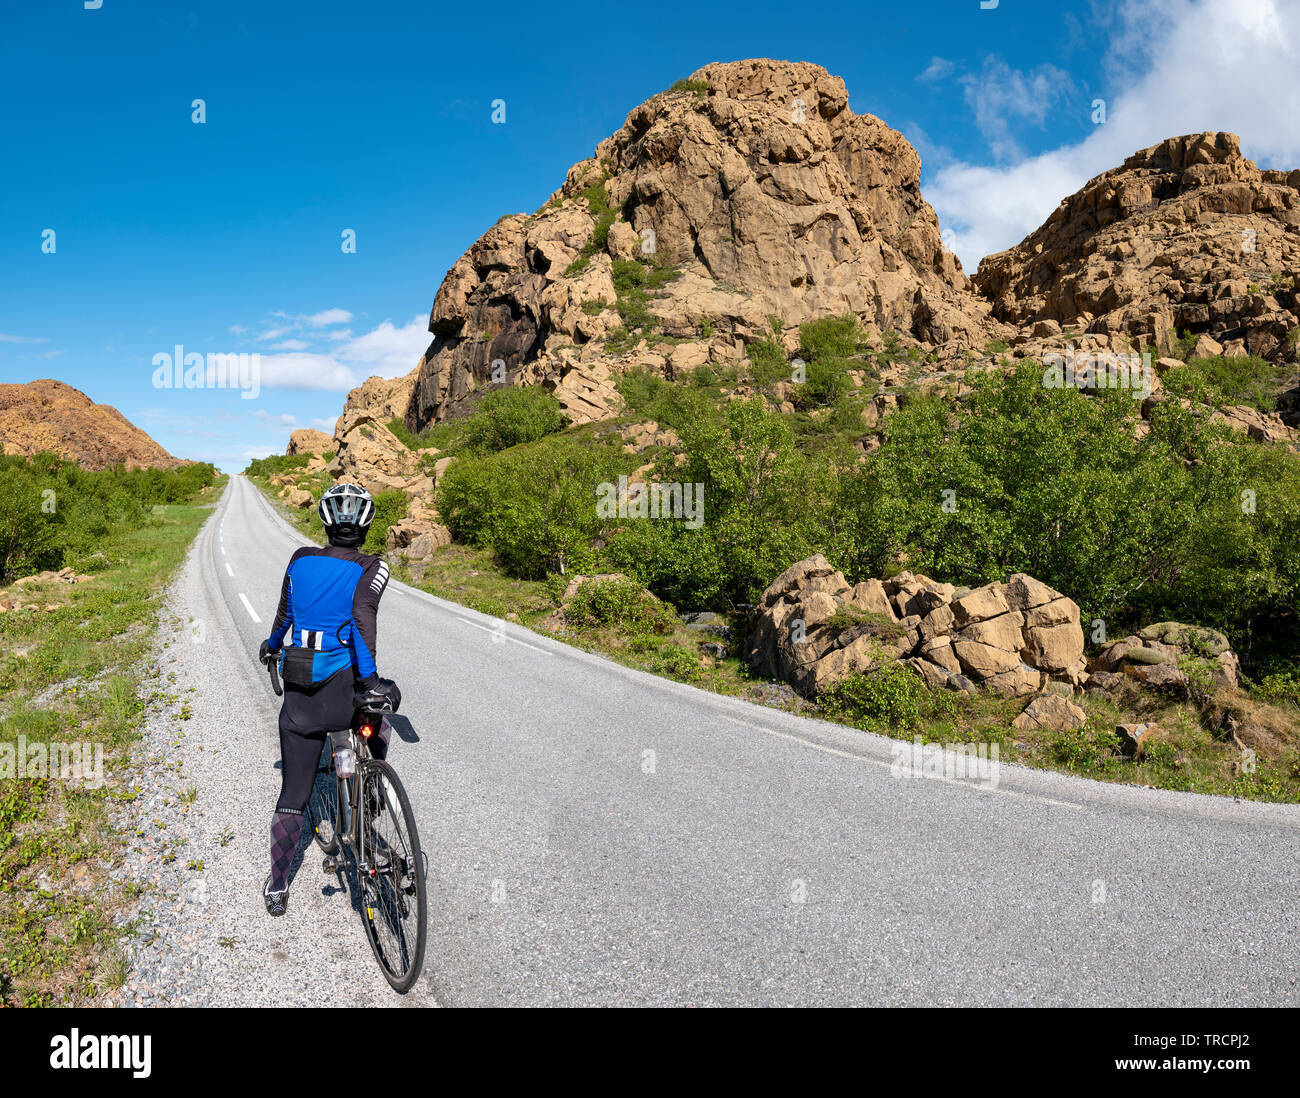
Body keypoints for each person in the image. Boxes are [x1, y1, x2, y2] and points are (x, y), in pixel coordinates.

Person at [257, 482, 400, 917]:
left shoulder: (300, 560)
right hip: (344, 693)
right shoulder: (374, 567)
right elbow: (362, 619)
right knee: (382, 709)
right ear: (367, 525)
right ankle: (370, 789)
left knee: (293, 794)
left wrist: (271, 643)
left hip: (300, 691)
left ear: (324, 521)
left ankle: (278, 884)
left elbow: (286, 613)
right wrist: (372, 681)